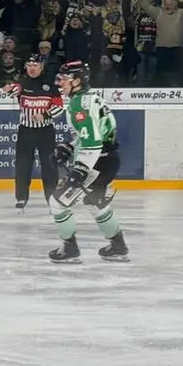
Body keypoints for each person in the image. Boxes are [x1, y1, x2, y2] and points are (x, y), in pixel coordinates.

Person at [47, 60, 130, 264]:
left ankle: (69, 249)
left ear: (77, 81)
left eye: (65, 79)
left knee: (57, 203)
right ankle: (118, 246)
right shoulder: (89, 98)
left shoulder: (78, 103)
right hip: (108, 159)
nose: (61, 83)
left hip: (97, 162)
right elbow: (91, 135)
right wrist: (69, 146)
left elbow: (92, 142)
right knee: (94, 202)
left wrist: (81, 169)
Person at [4, 55, 60, 210]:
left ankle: (52, 198)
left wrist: (44, 115)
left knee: (49, 165)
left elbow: (59, 107)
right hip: (26, 131)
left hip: (46, 131)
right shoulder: (22, 82)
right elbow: (15, 89)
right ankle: (21, 198)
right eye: (29, 65)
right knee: (23, 165)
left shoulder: (50, 84)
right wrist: (9, 89)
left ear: (41, 67)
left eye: (35, 65)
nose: (32, 68)